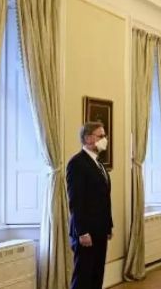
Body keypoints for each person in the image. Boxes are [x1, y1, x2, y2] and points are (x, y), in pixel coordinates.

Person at [66, 121, 113, 289]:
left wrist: (108, 226)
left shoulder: (98, 164)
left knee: (96, 275)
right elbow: (76, 201)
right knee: (83, 277)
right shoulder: (77, 163)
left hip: (100, 230)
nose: (105, 139)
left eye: (104, 136)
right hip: (86, 233)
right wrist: (82, 231)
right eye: (101, 136)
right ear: (88, 139)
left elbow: (104, 199)